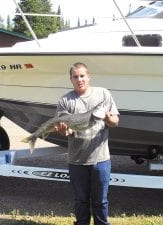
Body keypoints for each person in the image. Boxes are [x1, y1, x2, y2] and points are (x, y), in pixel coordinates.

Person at [55, 62, 119, 225]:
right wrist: (63, 131)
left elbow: (115, 121)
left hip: (101, 160)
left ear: (89, 77)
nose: (79, 79)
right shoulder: (65, 100)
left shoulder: (103, 94)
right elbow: (67, 131)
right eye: (75, 77)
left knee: (100, 201)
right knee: (81, 200)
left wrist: (107, 117)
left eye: (82, 76)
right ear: (71, 79)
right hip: (77, 160)